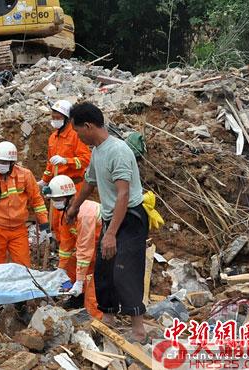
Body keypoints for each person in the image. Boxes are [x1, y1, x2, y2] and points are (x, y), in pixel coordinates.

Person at [66, 102, 149, 343]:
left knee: (126, 272)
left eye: (78, 131)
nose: (78, 136)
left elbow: (123, 194)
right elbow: (89, 182)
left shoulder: (118, 151)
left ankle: (138, 330)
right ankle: (109, 319)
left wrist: (111, 234)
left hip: (130, 218)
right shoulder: (98, 150)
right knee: (104, 270)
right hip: (112, 217)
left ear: (88, 126)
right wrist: (74, 207)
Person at [45, 175, 103, 319]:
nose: (56, 203)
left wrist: (80, 279)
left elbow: (85, 248)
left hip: (108, 248)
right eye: (54, 200)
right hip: (93, 247)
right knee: (71, 265)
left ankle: (97, 323)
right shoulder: (65, 212)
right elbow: (66, 243)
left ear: (70, 197)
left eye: (58, 200)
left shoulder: (85, 214)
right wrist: (61, 269)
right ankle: (77, 297)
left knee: (93, 289)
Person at [37, 100, 91, 246]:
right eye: (53, 117)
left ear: (66, 118)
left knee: (72, 219)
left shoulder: (75, 135)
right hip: (57, 188)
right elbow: (50, 163)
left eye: (58, 118)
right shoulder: (53, 138)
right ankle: (62, 251)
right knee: (57, 221)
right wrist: (44, 180)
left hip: (73, 186)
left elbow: (86, 159)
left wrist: (67, 161)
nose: (55, 120)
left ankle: (74, 251)